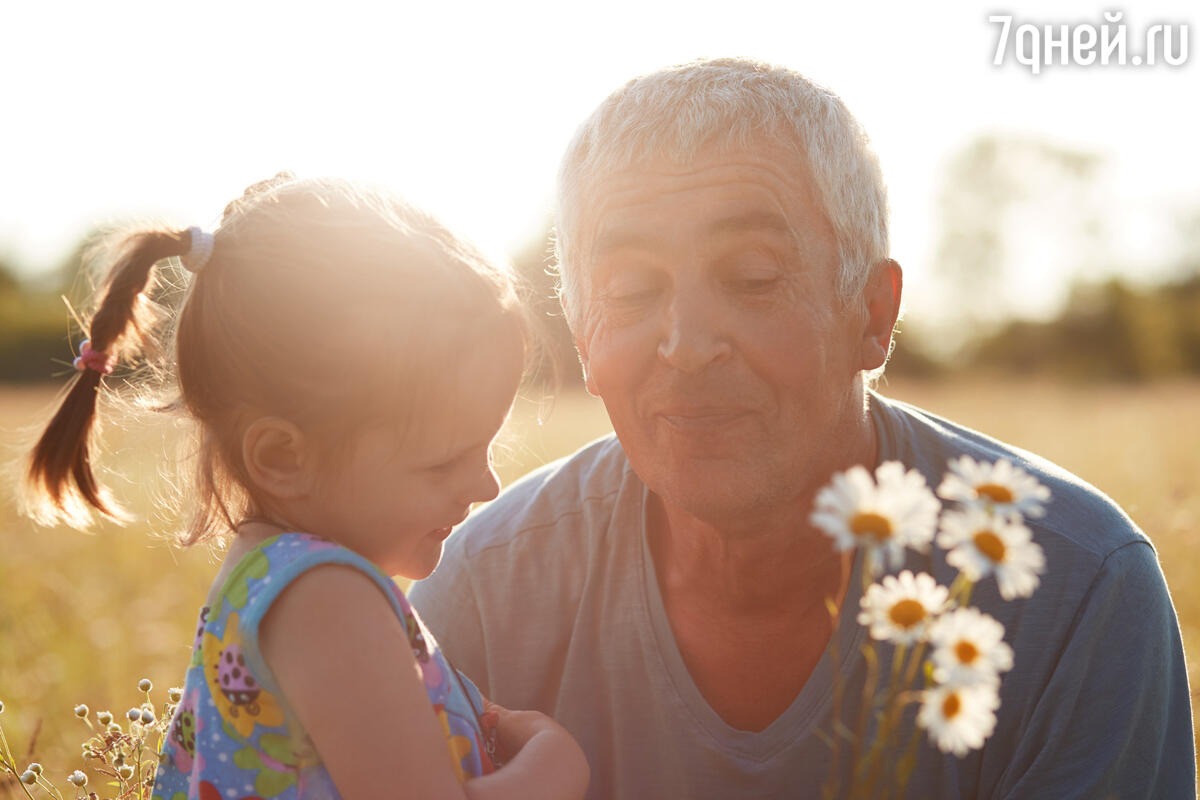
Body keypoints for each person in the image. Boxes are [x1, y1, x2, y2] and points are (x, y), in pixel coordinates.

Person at [410, 58, 1194, 798]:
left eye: (753, 278)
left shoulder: (1079, 592)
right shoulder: (486, 590)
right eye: (631, 289)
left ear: (873, 315)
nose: (685, 345)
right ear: (585, 340)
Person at [22, 175, 589, 800]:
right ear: (282, 457)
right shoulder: (327, 598)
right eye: (443, 462)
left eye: (486, 448)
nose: (487, 485)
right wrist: (557, 766)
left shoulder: (278, 583)